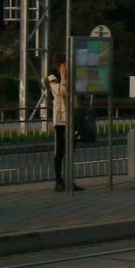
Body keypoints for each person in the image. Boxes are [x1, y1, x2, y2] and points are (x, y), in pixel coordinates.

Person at [48, 52, 82, 192]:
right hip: (61, 119)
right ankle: (58, 181)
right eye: (65, 64)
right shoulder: (52, 77)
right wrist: (62, 76)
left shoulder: (70, 77)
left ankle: (70, 179)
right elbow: (61, 92)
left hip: (71, 116)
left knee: (71, 149)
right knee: (61, 150)